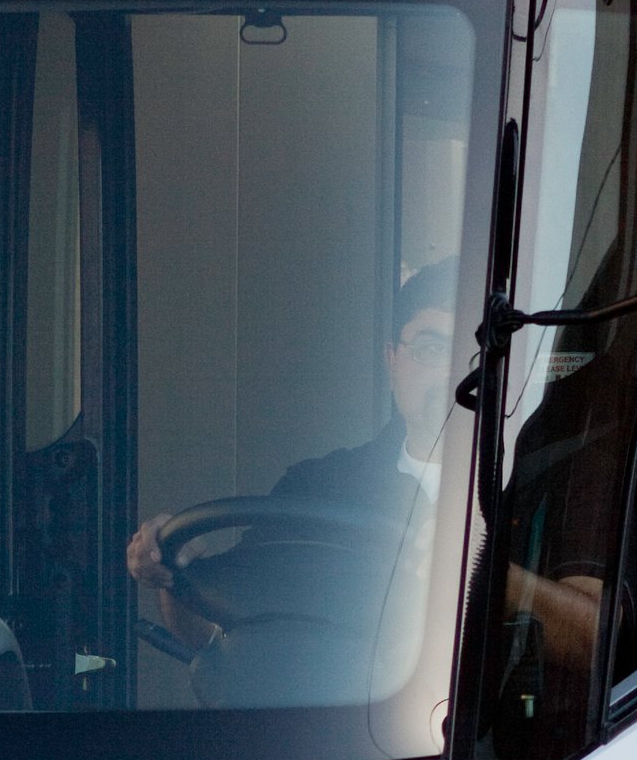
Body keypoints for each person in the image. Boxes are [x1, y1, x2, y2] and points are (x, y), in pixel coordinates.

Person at [127, 264, 602, 692]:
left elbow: (599, 644)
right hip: (341, 753)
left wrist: (486, 576)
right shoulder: (318, 485)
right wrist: (174, 573)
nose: (452, 373)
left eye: (473, 351)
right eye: (430, 348)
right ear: (391, 359)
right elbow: (218, 631)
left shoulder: (562, 477)